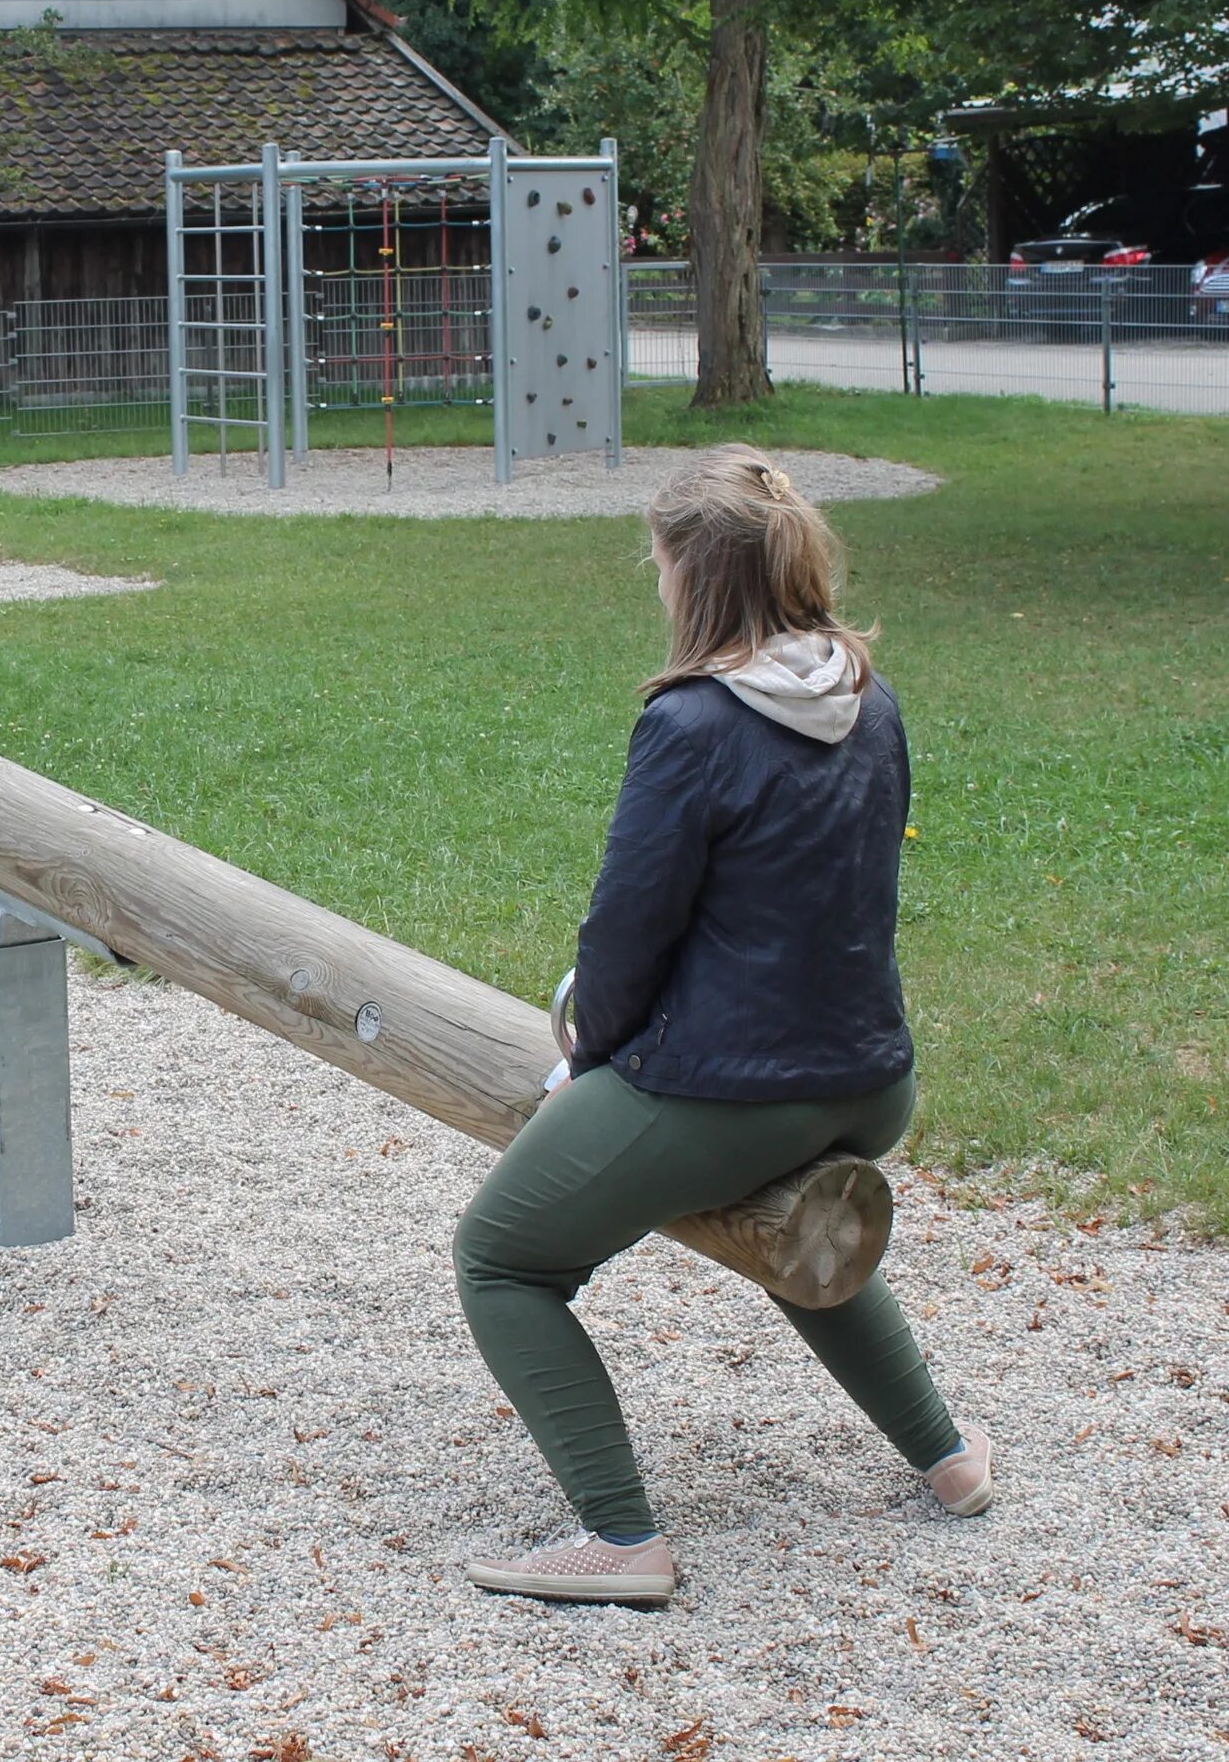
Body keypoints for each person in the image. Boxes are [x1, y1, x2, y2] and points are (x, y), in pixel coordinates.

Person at [457, 443, 989, 1607]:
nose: (655, 588)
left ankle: (619, 1535)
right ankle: (949, 1457)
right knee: (803, 1231)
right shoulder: (871, 696)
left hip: (734, 1086)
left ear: (695, 578)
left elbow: (627, 932)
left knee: (501, 1256)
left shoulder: (690, 723)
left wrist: (584, 1053)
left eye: (657, 567)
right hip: (867, 1073)